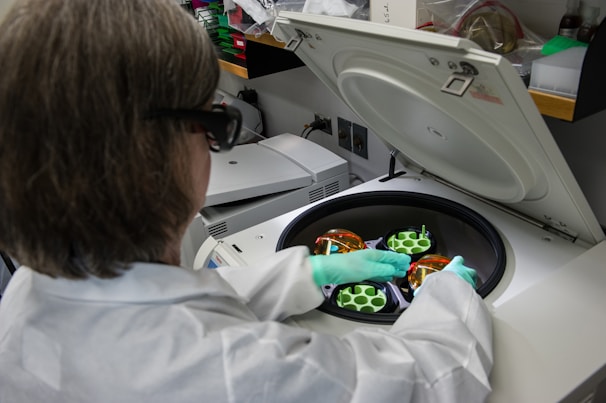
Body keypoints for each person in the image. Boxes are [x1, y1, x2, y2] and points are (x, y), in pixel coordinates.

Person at [0, 0, 493, 402]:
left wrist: (308, 274)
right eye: (212, 123)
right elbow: (432, 382)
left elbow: (170, 307)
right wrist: (449, 296)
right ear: (149, 157)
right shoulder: (231, 372)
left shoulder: (29, 291)